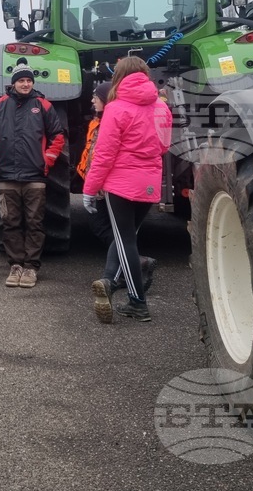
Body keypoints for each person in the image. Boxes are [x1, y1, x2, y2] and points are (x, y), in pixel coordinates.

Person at [85, 56, 172, 323]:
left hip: (120, 183)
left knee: (125, 241)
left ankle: (137, 302)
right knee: (128, 237)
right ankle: (110, 281)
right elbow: (164, 146)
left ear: (118, 77)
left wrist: (90, 189)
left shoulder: (116, 108)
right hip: (149, 183)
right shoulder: (162, 108)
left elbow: (104, 154)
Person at [0, 67, 65, 289]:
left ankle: (31, 267)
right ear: (14, 83)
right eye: (21, 81)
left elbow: (57, 135)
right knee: (11, 223)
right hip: (7, 175)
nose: (26, 84)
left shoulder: (43, 105)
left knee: (35, 223)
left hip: (34, 175)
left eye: (29, 80)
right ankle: (16, 265)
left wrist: (47, 160)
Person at [76, 81, 156, 292]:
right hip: (104, 182)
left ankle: (128, 268)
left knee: (109, 229)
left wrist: (94, 185)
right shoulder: (99, 121)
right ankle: (129, 267)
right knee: (115, 230)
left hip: (107, 184)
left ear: (105, 99)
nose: (92, 100)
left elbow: (103, 156)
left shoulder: (109, 122)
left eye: (96, 97)